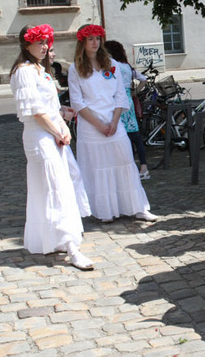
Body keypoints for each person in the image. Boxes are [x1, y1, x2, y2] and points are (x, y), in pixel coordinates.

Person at [9, 24, 94, 270]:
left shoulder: (40, 70)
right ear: (27, 44)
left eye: (47, 42)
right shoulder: (24, 71)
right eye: (40, 42)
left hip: (52, 134)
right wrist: (58, 131)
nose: (45, 47)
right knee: (55, 188)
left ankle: (56, 239)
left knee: (62, 185)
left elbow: (50, 108)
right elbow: (35, 112)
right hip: (40, 137)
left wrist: (62, 122)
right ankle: (71, 247)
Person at [68, 24, 157, 223]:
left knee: (125, 161)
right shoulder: (75, 69)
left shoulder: (112, 64)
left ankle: (138, 207)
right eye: (90, 39)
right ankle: (105, 210)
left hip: (114, 122)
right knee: (100, 166)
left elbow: (120, 94)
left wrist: (114, 121)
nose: (95, 42)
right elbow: (78, 102)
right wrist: (99, 124)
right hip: (91, 126)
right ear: (82, 42)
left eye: (97, 38)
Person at [103, 40, 150, 180]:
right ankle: (143, 167)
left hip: (117, 102)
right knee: (134, 134)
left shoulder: (112, 65)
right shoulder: (126, 66)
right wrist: (134, 93)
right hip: (128, 101)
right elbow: (144, 79)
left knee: (120, 135)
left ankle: (125, 168)